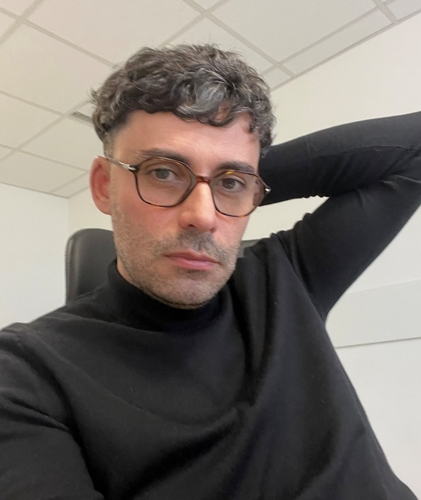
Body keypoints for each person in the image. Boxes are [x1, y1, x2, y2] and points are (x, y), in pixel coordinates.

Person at [0, 44, 419, 500]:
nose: (202, 216)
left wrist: (240, 178)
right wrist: (223, 176)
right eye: (162, 172)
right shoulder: (26, 373)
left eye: (231, 183)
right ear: (104, 186)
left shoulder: (285, 277)